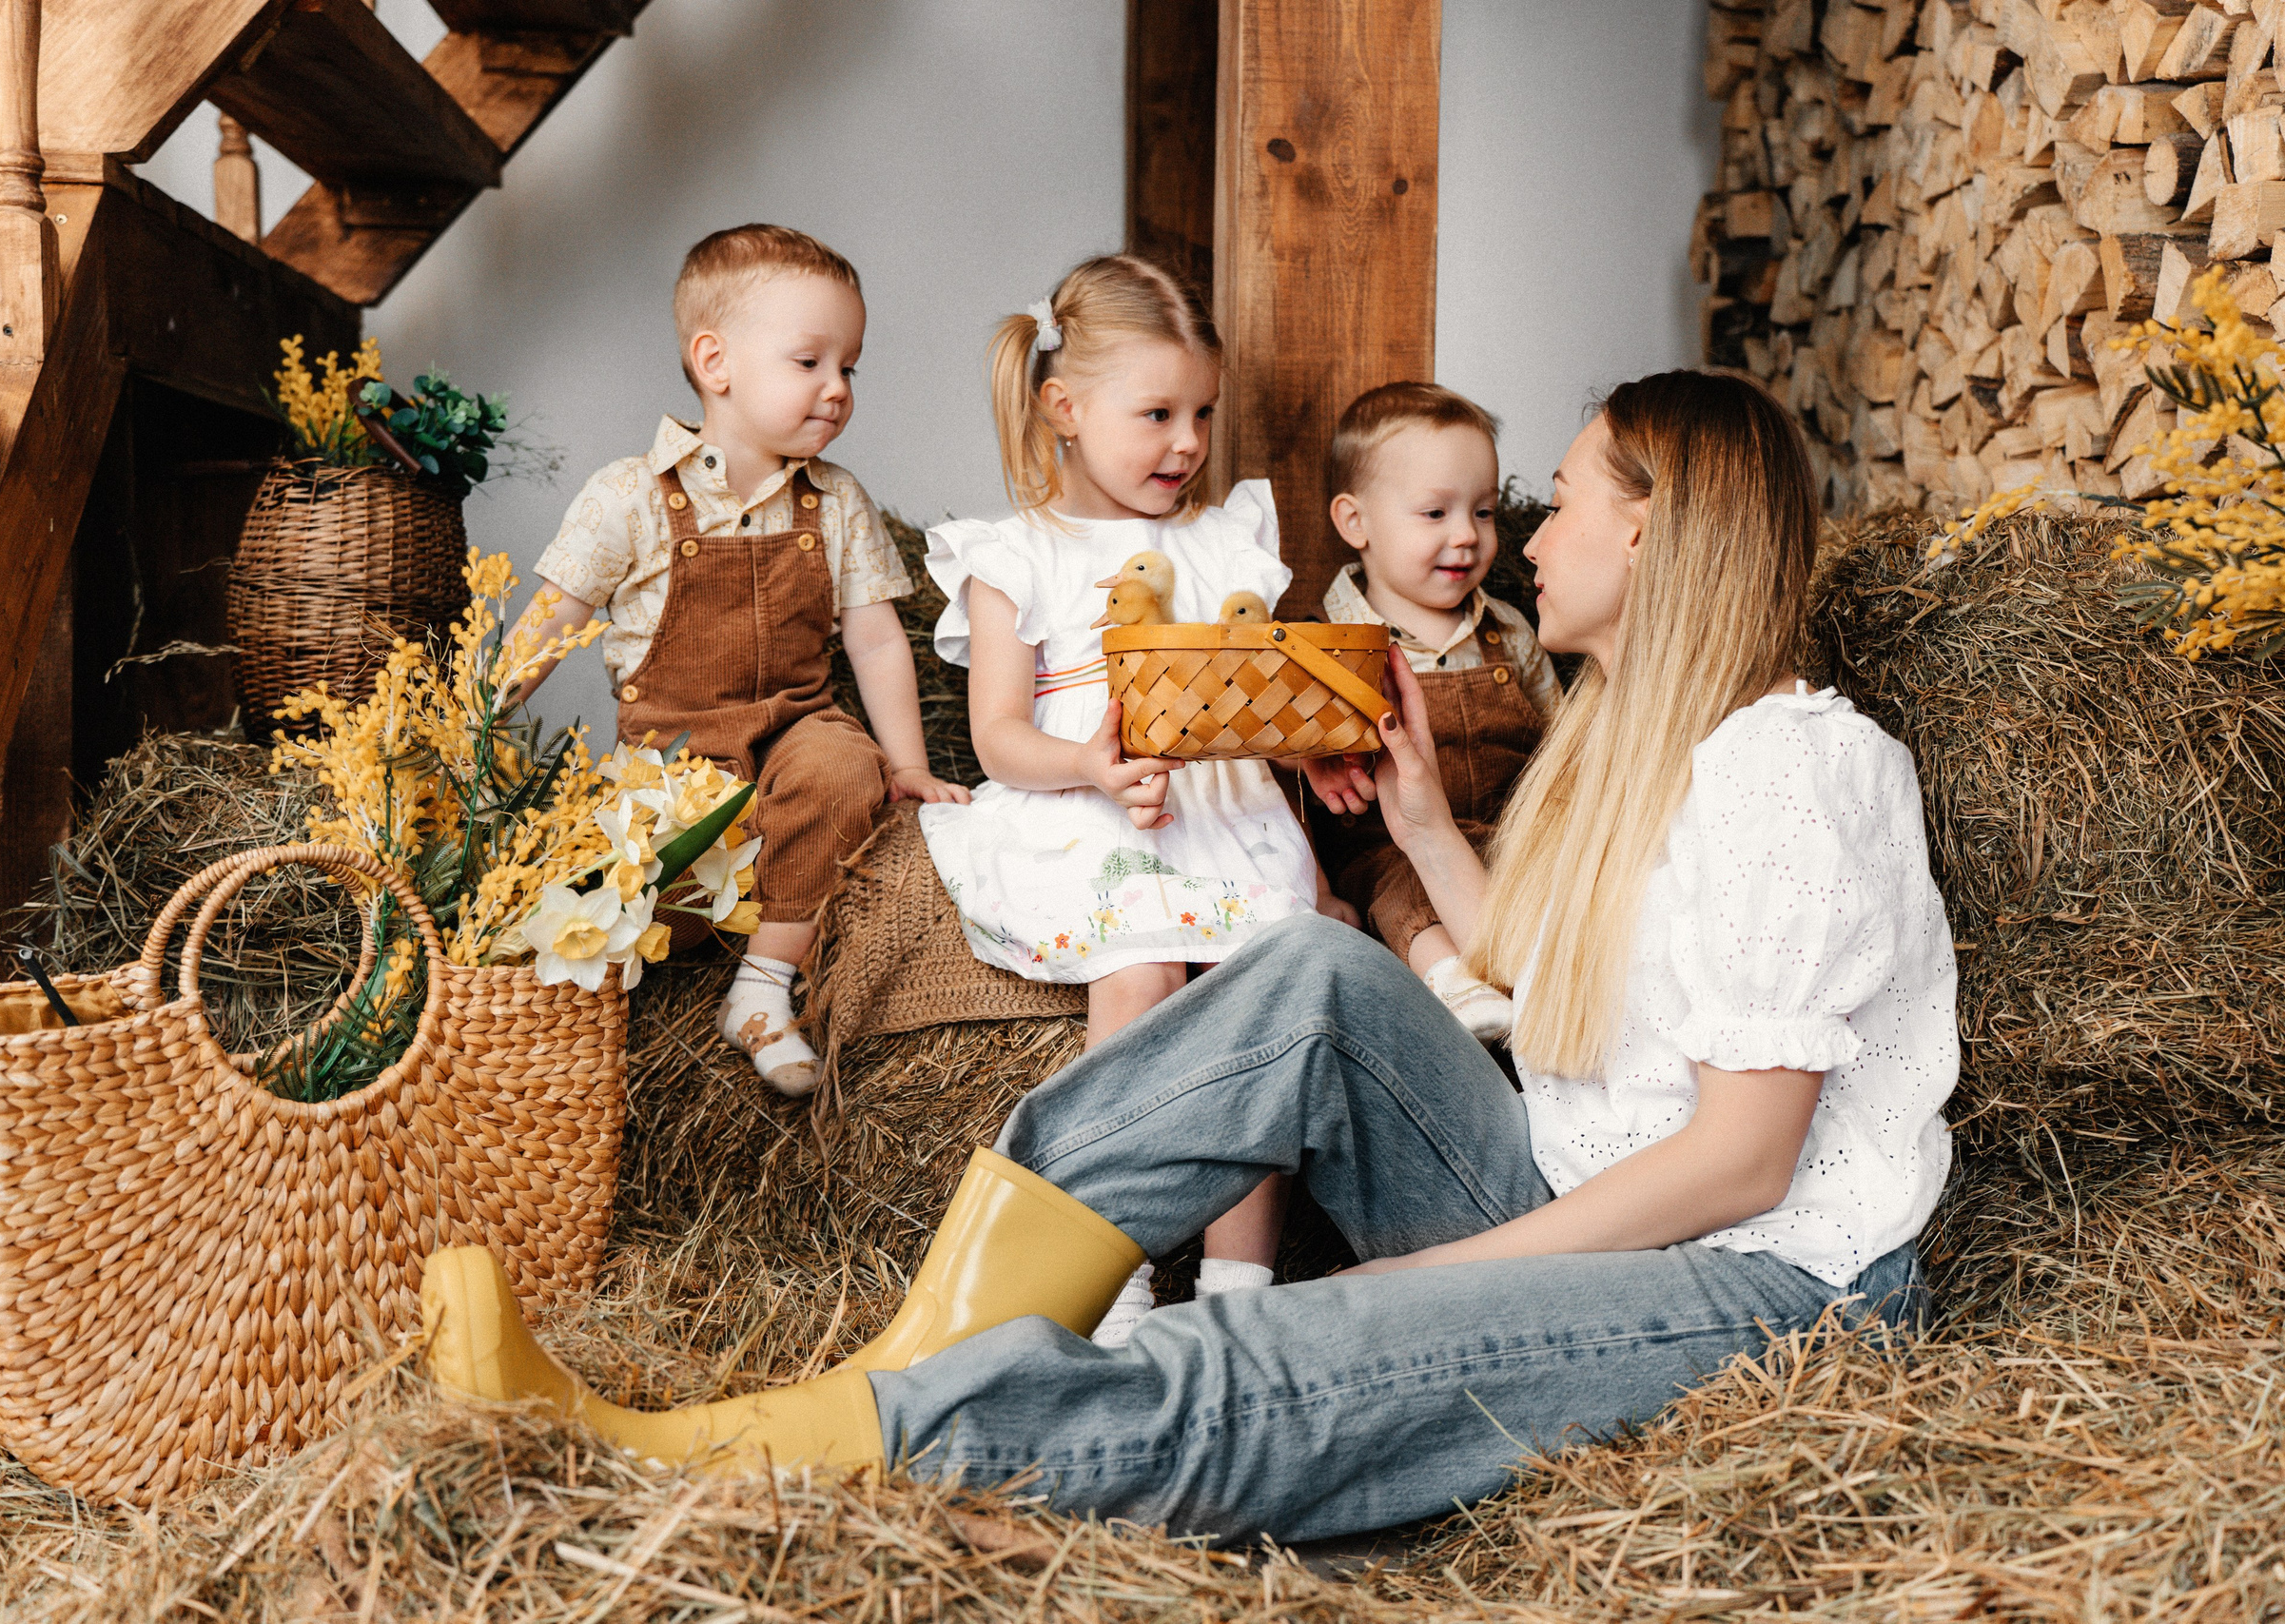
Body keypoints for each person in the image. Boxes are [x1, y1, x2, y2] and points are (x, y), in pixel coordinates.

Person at [421, 368, 1959, 1545]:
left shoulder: (1794, 769)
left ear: (1654, 527)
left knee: (1292, 1343)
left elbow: (1744, 1159)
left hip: (1764, 1278)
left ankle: (717, 1461)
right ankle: (931, 1347)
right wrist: (1423, 819)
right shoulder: (1641, 744)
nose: (1531, 539)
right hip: (1583, 1182)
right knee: (1306, 977)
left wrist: (1440, 1273)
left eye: (1557, 504)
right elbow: (1562, 979)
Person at [910, 254, 1344, 1321]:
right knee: (1142, 968)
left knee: (1257, 990)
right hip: (1089, 811)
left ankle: (1240, 1284)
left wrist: (1305, 745)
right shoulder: (1018, 554)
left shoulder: (1222, 540)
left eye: (1202, 413)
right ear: (1064, 408)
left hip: (1219, 809)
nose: (1188, 442)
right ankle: (1109, 1266)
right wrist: (1091, 766)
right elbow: (998, 737)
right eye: (1156, 414)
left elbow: (1256, 695)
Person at [510, 224, 967, 1099]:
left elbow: (875, 639)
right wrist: (475, 717)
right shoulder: (631, 494)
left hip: (797, 727)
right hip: (674, 755)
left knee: (846, 771)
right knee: (630, 879)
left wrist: (907, 764)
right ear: (715, 362)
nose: (838, 388)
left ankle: (761, 991)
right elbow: (555, 617)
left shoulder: (836, 500)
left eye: (850, 367)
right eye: (810, 362)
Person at [1312, 381, 1561, 1041]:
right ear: (1355, 522)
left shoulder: (1509, 631)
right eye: (1435, 513)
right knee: (1399, 884)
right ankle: (1454, 980)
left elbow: (1560, 743)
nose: (1466, 535)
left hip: (1504, 837)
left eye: (1483, 511)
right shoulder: (1325, 644)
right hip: (1387, 849)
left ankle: (1541, 981)